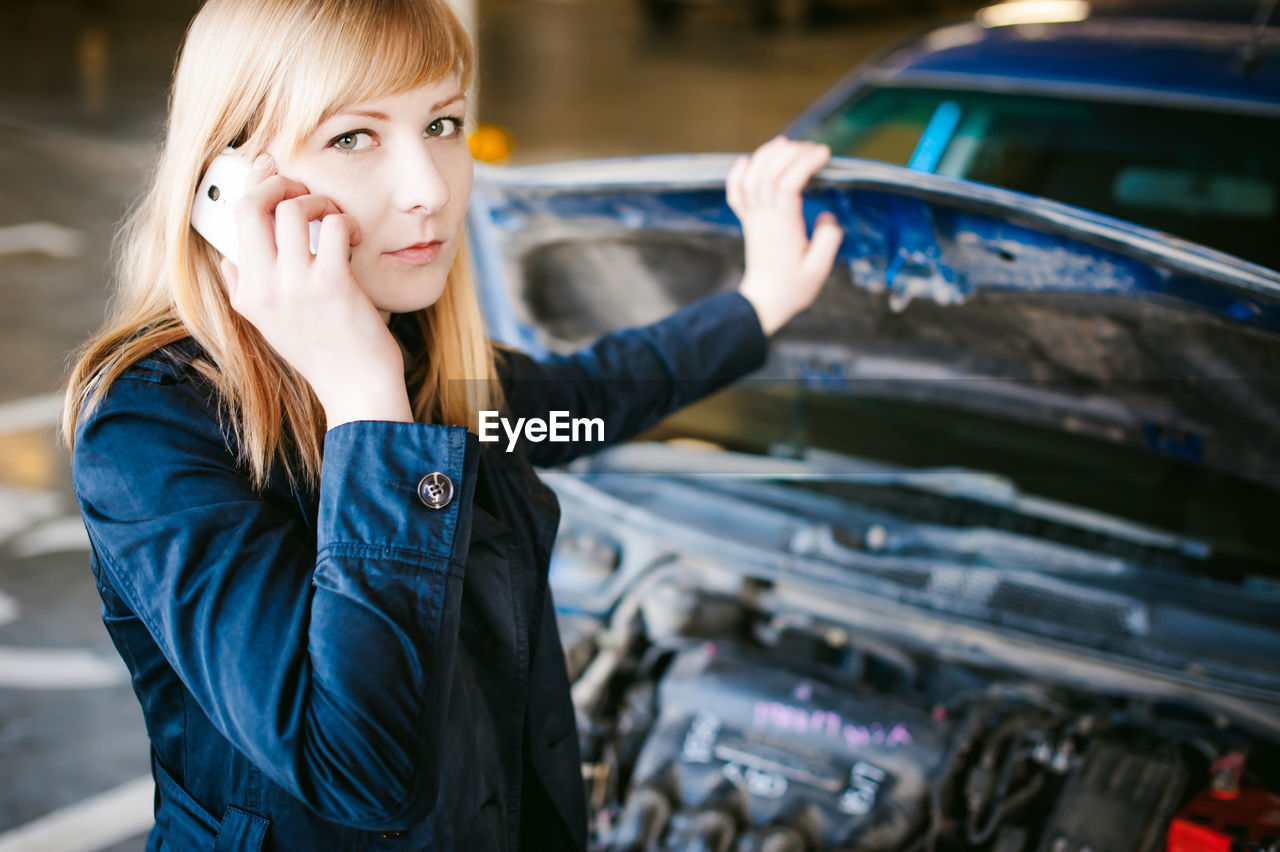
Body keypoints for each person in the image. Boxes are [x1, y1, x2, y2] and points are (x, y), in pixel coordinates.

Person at [60, 0, 844, 848]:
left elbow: (594, 395)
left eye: (442, 122)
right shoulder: (151, 431)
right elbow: (359, 771)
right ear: (230, 190)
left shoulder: (427, 366)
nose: (431, 189)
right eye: (353, 137)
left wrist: (759, 302)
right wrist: (365, 397)